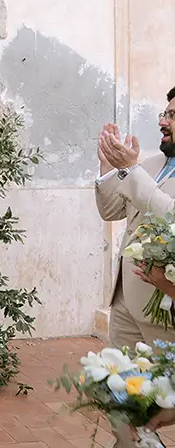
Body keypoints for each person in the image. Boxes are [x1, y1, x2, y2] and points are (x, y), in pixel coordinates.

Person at [96, 86, 175, 446]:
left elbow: (170, 216)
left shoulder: (141, 169)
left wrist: (130, 169)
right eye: (165, 112)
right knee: (118, 393)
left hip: (164, 307)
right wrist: (109, 168)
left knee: (159, 404)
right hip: (125, 299)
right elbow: (112, 211)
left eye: (172, 115)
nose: (162, 120)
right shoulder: (153, 164)